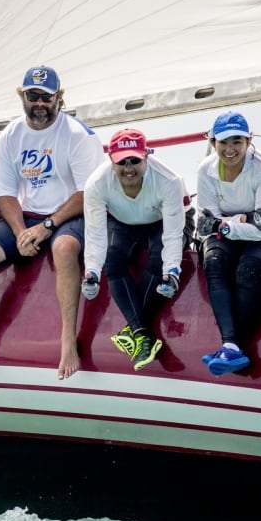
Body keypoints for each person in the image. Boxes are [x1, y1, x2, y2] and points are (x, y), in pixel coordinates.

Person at [0, 65, 105, 379]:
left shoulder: (78, 135)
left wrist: (48, 226)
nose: (40, 103)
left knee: (64, 248)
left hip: (71, 213)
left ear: (59, 97)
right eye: (33, 96)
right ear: (22, 96)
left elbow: (88, 193)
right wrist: (21, 233)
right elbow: (5, 193)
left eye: (47, 97)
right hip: (30, 216)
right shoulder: (10, 135)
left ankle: (67, 341)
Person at [196, 111, 261, 375]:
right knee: (214, 261)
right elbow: (205, 224)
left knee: (250, 266)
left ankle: (233, 346)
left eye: (237, 141)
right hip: (234, 225)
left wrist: (226, 224)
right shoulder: (206, 170)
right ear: (213, 143)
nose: (230, 149)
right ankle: (231, 346)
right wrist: (240, 220)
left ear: (249, 141)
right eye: (223, 142)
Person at [81, 128, 186, 370]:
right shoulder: (96, 184)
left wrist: (172, 271)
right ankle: (142, 334)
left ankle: (135, 332)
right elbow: (95, 234)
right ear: (111, 160)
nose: (128, 168)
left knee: (158, 260)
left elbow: (172, 235)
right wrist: (92, 273)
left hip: (162, 221)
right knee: (113, 260)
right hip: (123, 221)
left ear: (146, 156)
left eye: (135, 161)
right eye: (122, 162)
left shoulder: (168, 181)